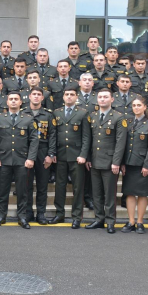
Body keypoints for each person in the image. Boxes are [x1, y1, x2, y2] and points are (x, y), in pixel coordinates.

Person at [0, 91, 38, 229]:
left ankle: (22, 217)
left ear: (20, 102)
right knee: (2, 190)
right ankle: (1, 216)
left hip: (22, 160)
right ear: (7, 102)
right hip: (3, 160)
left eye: (16, 99)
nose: (13, 101)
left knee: (22, 191)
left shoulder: (28, 119)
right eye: (10, 99)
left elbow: (34, 140)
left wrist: (31, 158)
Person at [86, 89, 127, 234]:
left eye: (105, 97)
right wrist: (88, 158)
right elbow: (90, 139)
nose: (102, 99)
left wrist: (116, 162)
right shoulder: (92, 116)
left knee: (109, 194)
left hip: (110, 162)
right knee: (96, 193)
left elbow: (120, 142)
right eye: (100, 97)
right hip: (95, 160)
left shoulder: (119, 117)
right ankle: (99, 219)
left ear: (112, 100)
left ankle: (110, 221)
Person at [52, 88, 90, 227]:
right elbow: (53, 135)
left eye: (72, 95)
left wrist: (83, 155)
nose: (69, 97)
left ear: (76, 97)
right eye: (67, 95)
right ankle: (59, 214)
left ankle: (76, 217)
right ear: (63, 97)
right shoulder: (56, 112)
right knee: (60, 186)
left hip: (77, 156)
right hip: (60, 155)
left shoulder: (83, 113)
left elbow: (86, 137)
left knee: (78, 187)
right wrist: (53, 153)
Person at [120, 96, 148, 234]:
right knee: (129, 193)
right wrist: (122, 162)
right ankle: (131, 221)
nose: (136, 108)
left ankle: (140, 221)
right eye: (134, 105)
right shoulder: (127, 122)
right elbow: (122, 143)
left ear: (145, 107)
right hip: (129, 163)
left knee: (142, 194)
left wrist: (147, 165)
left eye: (139, 105)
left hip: (142, 164)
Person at [22, 88, 55, 225]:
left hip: (43, 150)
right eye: (34, 94)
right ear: (29, 96)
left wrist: (50, 154)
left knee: (42, 185)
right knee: (27, 185)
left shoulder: (48, 114)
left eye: (38, 95)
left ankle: (41, 213)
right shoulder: (23, 113)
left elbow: (53, 135)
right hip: (26, 151)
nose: (36, 97)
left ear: (42, 98)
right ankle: (28, 212)